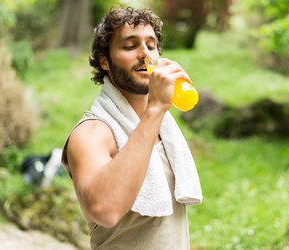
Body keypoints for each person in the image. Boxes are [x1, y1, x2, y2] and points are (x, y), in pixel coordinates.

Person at [61, 6, 202, 250]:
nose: (145, 55)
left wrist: (156, 112)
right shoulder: (92, 133)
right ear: (104, 60)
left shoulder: (163, 128)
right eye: (130, 46)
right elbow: (103, 210)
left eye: (151, 45)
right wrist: (155, 109)